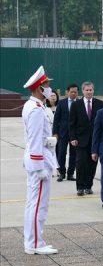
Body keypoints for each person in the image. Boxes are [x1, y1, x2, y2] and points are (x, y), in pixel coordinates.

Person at [21, 66, 59, 255]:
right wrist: (39, 167)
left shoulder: (35, 106)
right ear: (39, 88)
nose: (49, 88)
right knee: (38, 205)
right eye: (46, 85)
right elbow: (35, 140)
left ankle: (33, 240)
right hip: (39, 162)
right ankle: (35, 243)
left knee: (33, 203)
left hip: (39, 158)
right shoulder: (36, 110)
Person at [69, 81, 103, 196]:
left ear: (93, 90)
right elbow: (72, 123)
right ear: (83, 91)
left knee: (92, 164)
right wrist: (72, 137)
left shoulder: (100, 104)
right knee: (80, 163)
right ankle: (80, 187)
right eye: (87, 90)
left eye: (91, 90)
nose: (89, 92)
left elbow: (102, 123)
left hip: (95, 140)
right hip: (80, 140)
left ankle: (88, 186)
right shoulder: (76, 104)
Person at [53, 84, 78, 182]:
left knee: (74, 154)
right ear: (67, 92)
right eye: (72, 92)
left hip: (75, 134)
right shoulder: (61, 103)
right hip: (62, 133)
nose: (73, 94)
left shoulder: (79, 103)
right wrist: (55, 132)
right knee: (61, 153)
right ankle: (62, 173)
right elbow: (56, 119)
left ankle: (70, 173)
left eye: (75, 92)